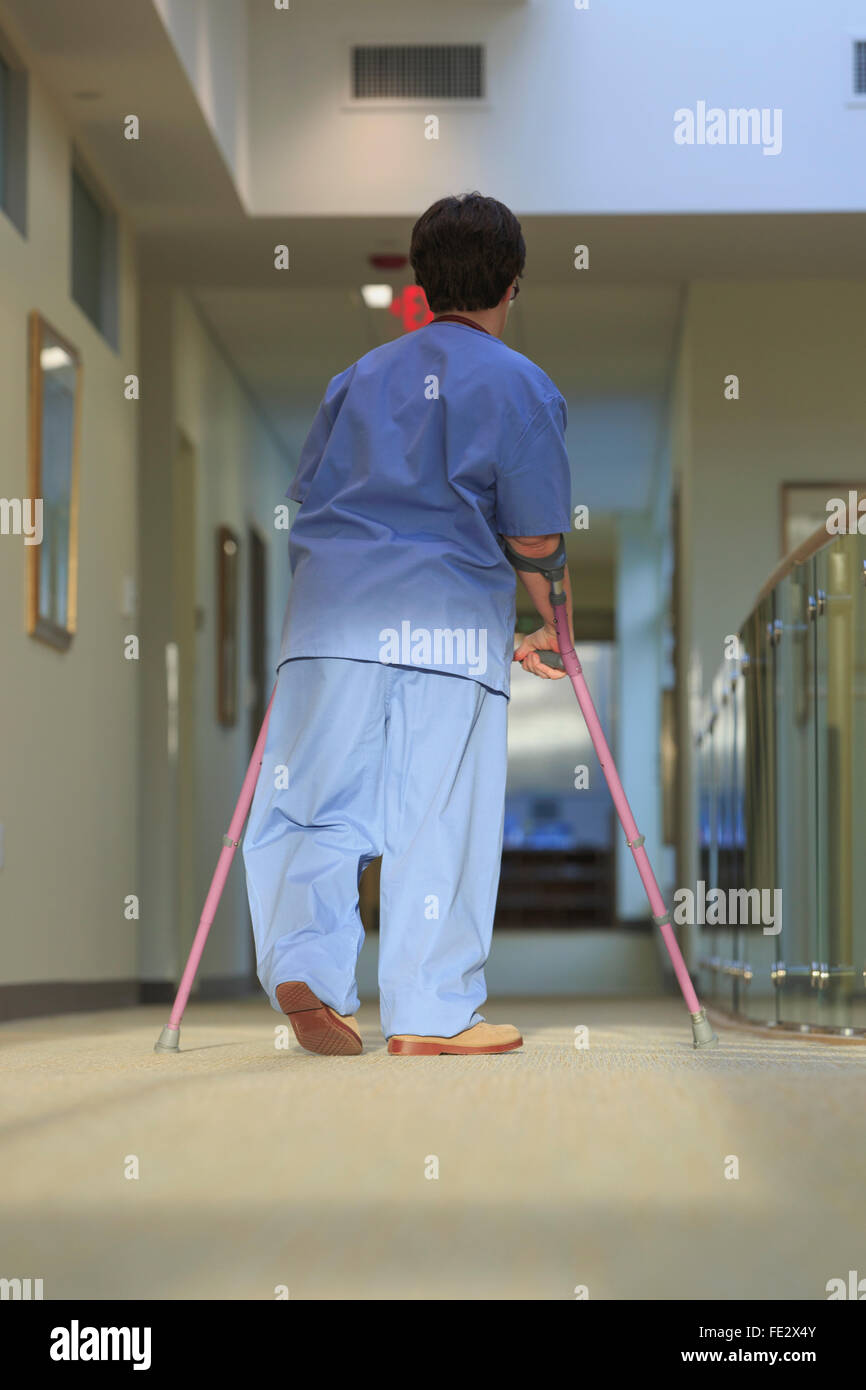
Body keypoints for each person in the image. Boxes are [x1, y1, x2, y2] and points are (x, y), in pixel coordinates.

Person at [242, 192, 574, 1057]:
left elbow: (314, 498)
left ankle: (307, 965)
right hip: (448, 630)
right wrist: (555, 628)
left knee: (314, 801)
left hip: (329, 623)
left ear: (424, 283)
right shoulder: (522, 385)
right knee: (439, 812)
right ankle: (430, 1014)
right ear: (512, 284)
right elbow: (535, 539)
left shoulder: (354, 380)